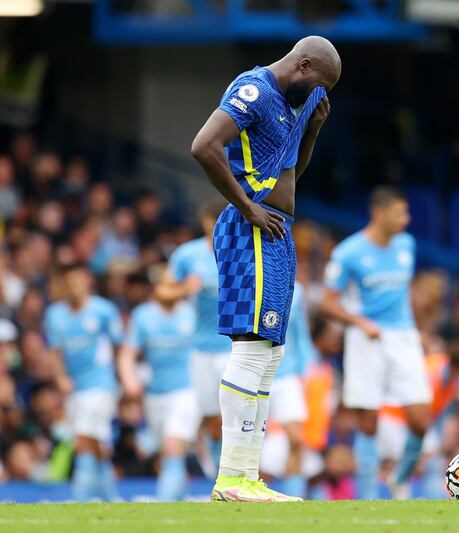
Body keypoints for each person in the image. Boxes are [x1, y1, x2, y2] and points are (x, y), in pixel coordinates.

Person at [190, 35, 341, 503]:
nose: (320, 93)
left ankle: (245, 476)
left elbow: (290, 172)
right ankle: (231, 478)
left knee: (270, 355)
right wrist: (247, 207)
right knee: (253, 350)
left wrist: (312, 129)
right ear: (302, 65)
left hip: (276, 234)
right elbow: (204, 146)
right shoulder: (254, 90)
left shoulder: (296, 103)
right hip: (250, 229)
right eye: (319, 83)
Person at [319, 186, 432, 499]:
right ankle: (368, 497)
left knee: (421, 420)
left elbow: (404, 293)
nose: (406, 220)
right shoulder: (349, 253)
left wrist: (420, 331)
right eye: (400, 213)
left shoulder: (406, 245)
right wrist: (359, 322)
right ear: (378, 214)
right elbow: (327, 304)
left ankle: (399, 477)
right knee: (368, 422)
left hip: (403, 337)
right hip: (365, 339)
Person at [43, 263, 123, 501]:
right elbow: (54, 352)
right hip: (75, 388)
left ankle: (80, 497)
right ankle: (111, 496)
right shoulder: (55, 315)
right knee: (93, 441)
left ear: (88, 282)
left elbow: (120, 346)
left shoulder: (104, 311)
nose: (76, 287)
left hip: (101, 384)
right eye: (71, 282)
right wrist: (60, 377)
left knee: (82, 436)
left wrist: (120, 378)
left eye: (80, 281)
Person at [117, 274, 200, 501]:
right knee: (170, 453)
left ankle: (163, 506)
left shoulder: (191, 313)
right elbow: (127, 353)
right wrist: (129, 381)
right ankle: (181, 503)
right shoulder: (143, 316)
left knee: (173, 447)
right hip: (154, 395)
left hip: (186, 392)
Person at [166, 198, 230, 477]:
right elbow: (162, 292)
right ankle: (215, 461)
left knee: (229, 411)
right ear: (204, 222)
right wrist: (183, 290)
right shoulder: (187, 255)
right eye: (211, 221)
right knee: (207, 415)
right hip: (200, 349)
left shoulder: (241, 252)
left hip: (231, 345)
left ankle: (227, 470)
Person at [266, 281, 318, 498]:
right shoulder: (248, 280)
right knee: (249, 443)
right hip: (255, 375)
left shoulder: (296, 289)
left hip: (286, 375)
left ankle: (292, 499)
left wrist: (309, 366)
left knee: (296, 440)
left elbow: (299, 332)